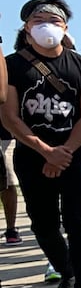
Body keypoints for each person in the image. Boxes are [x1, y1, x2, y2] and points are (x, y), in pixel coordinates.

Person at [2, 0, 81, 288]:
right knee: (44, 224)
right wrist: (45, 150)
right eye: (38, 21)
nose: (46, 27)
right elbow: (9, 115)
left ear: (66, 28)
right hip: (33, 156)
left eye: (54, 21)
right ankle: (68, 272)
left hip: (75, 155)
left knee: (78, 223)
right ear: (26, 27)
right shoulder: (12, 65)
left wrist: (63, 152)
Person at [0, 33, 21, 245]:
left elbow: (2, 94)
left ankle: (11, 228)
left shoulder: (4, 63)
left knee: (7, 181)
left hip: (3, 134)